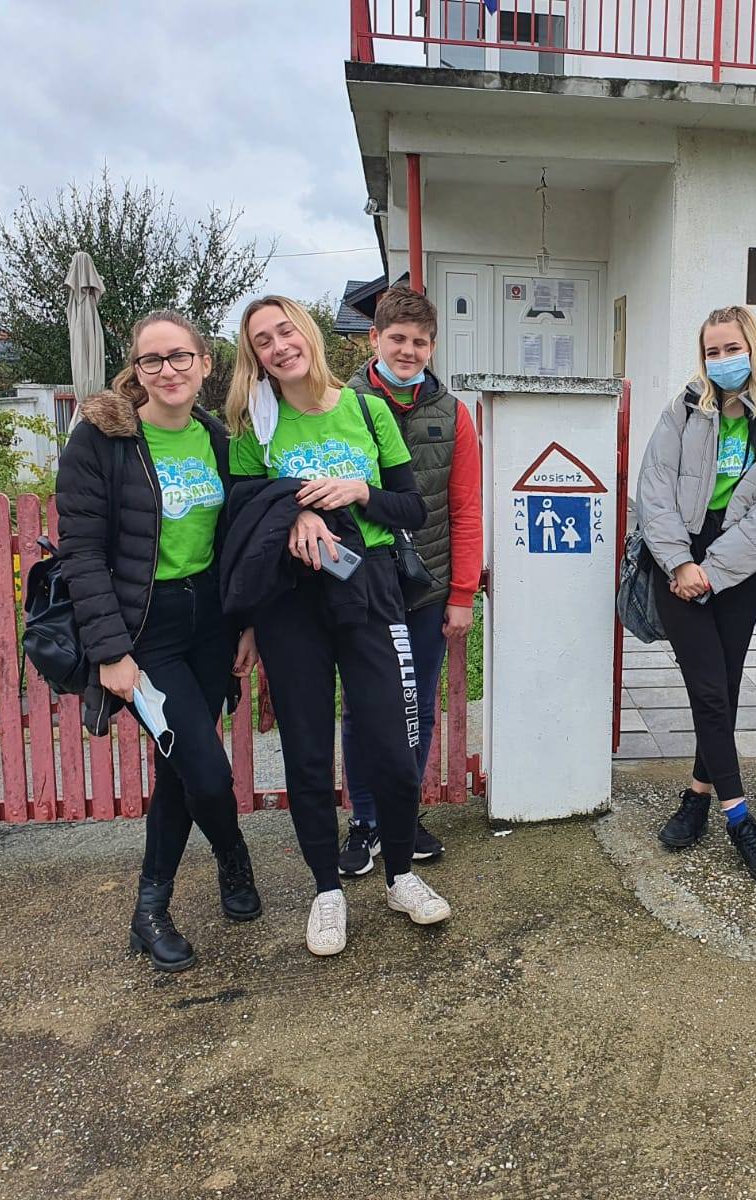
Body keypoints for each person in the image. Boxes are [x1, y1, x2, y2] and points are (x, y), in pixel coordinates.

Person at [224, 294, 450, 957]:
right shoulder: (256, 426)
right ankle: (327, 889)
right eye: (262, 341)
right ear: (254, 356)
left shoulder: (367, 410)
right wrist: (292, 512)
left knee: (393, 741)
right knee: (307, 750)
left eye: (285, 331)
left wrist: (359, 492)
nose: (278, 346)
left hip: (368, 587)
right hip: (290, 601)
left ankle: (400, 874)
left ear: (309, 334)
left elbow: (412, 508)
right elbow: (240, 511)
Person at [56, 310, 261, 973]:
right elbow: (82, 553)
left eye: (180, 357)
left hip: (211, 624)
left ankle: (160, 906)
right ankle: (215, 867)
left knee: (181, 767)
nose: (168, 370)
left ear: (205, 364)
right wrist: (111, 652)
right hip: (146, 632)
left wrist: (246, 622)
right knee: (205, 769)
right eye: (153, 360)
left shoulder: (220, 440)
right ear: (136, 370)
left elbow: (238, 543)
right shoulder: (102, 441)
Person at [636, 306, 756, 883]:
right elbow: (654, 489)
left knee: (725, 688)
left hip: (739, 568)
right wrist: (681, 563)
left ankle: (696, 796)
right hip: (675, 564)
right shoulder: (684, 410)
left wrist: (713, 570)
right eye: (713, 351)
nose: (722, 360)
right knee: (709, 690)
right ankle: (739, 819)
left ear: (753, 350)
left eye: (732, 349)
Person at [336, 286, 483, 877]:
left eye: (420, 342)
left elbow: (465, 507)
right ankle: (365, 819)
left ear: (432, 346)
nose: (408, 350)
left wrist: (462, 594)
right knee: (362, 708)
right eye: (397, 338)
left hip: (427, 585)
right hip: (362, 583)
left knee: (416, 705)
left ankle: (402, 812)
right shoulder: (340, 404)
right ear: (374, 338)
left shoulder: (453, 413)